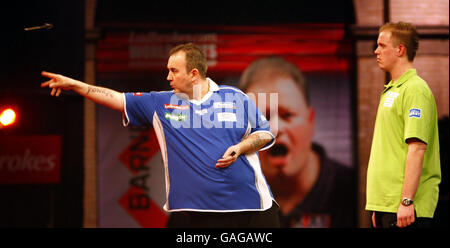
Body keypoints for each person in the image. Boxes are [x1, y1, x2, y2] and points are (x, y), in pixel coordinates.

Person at [41, 43, 280, 228]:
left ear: (194, 73)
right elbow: (114, 98)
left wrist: (240, 148)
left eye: (174, 71)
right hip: (195, 215)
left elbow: (264, 134)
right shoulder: (161, 102)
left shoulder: (234, 96)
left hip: (253, 211)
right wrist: (75, 85)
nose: (168, 77)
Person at [240, 56, 355, 227]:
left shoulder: (353, 192)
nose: (275, 129)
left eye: (287, 115)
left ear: (310, 121)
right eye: (262, 119)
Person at [366, 22, 441, 228]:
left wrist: (406, 201)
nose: (376, 51)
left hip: (406, 208)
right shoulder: (392, 89)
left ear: (400, 50)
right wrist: (379, 206)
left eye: (382, 45)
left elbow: (417, 148)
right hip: (388, 206)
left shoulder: (415, 89)